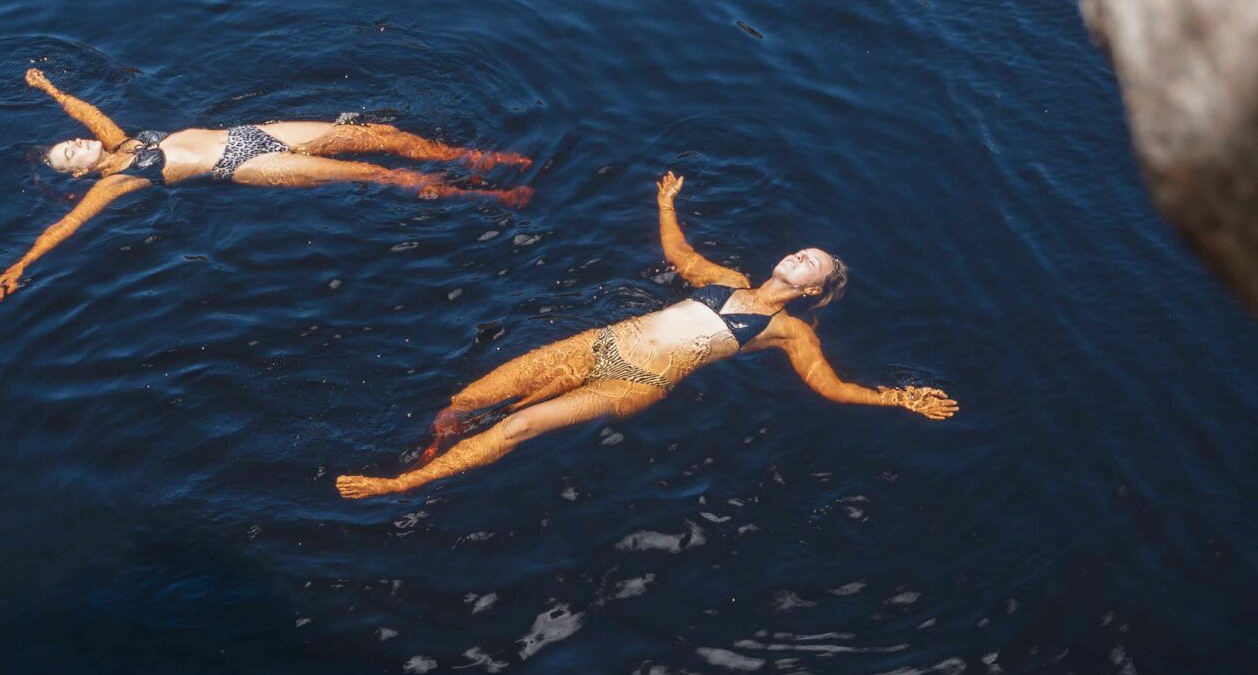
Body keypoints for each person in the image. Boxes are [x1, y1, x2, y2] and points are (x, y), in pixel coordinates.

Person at [336, 168, 956, 498]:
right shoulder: (726, 277)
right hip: (598, 343)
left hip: (639, 380)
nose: (798, 256)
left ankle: (401, 485)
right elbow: (681, 255)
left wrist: (897, 398)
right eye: (800, 250)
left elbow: (833, 388)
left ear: (815, 290)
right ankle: (432, 450)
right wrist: (666, 206)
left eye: (810, 263)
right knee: (465, 403)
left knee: (519, 424)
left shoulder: (790, 332)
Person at [0, 68, 531, 300]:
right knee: (376, 173)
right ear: (79, 174)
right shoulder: (115, 181)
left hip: (253, 132)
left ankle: (473, 157)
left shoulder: (118, 141)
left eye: (72, 142)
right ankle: (485, 196)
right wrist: (21, 265)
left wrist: (51, 90)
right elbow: (68, 225)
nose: (77, 144)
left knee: (376, 133)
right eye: (69, 156)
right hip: (244, 168)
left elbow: (89, 113)